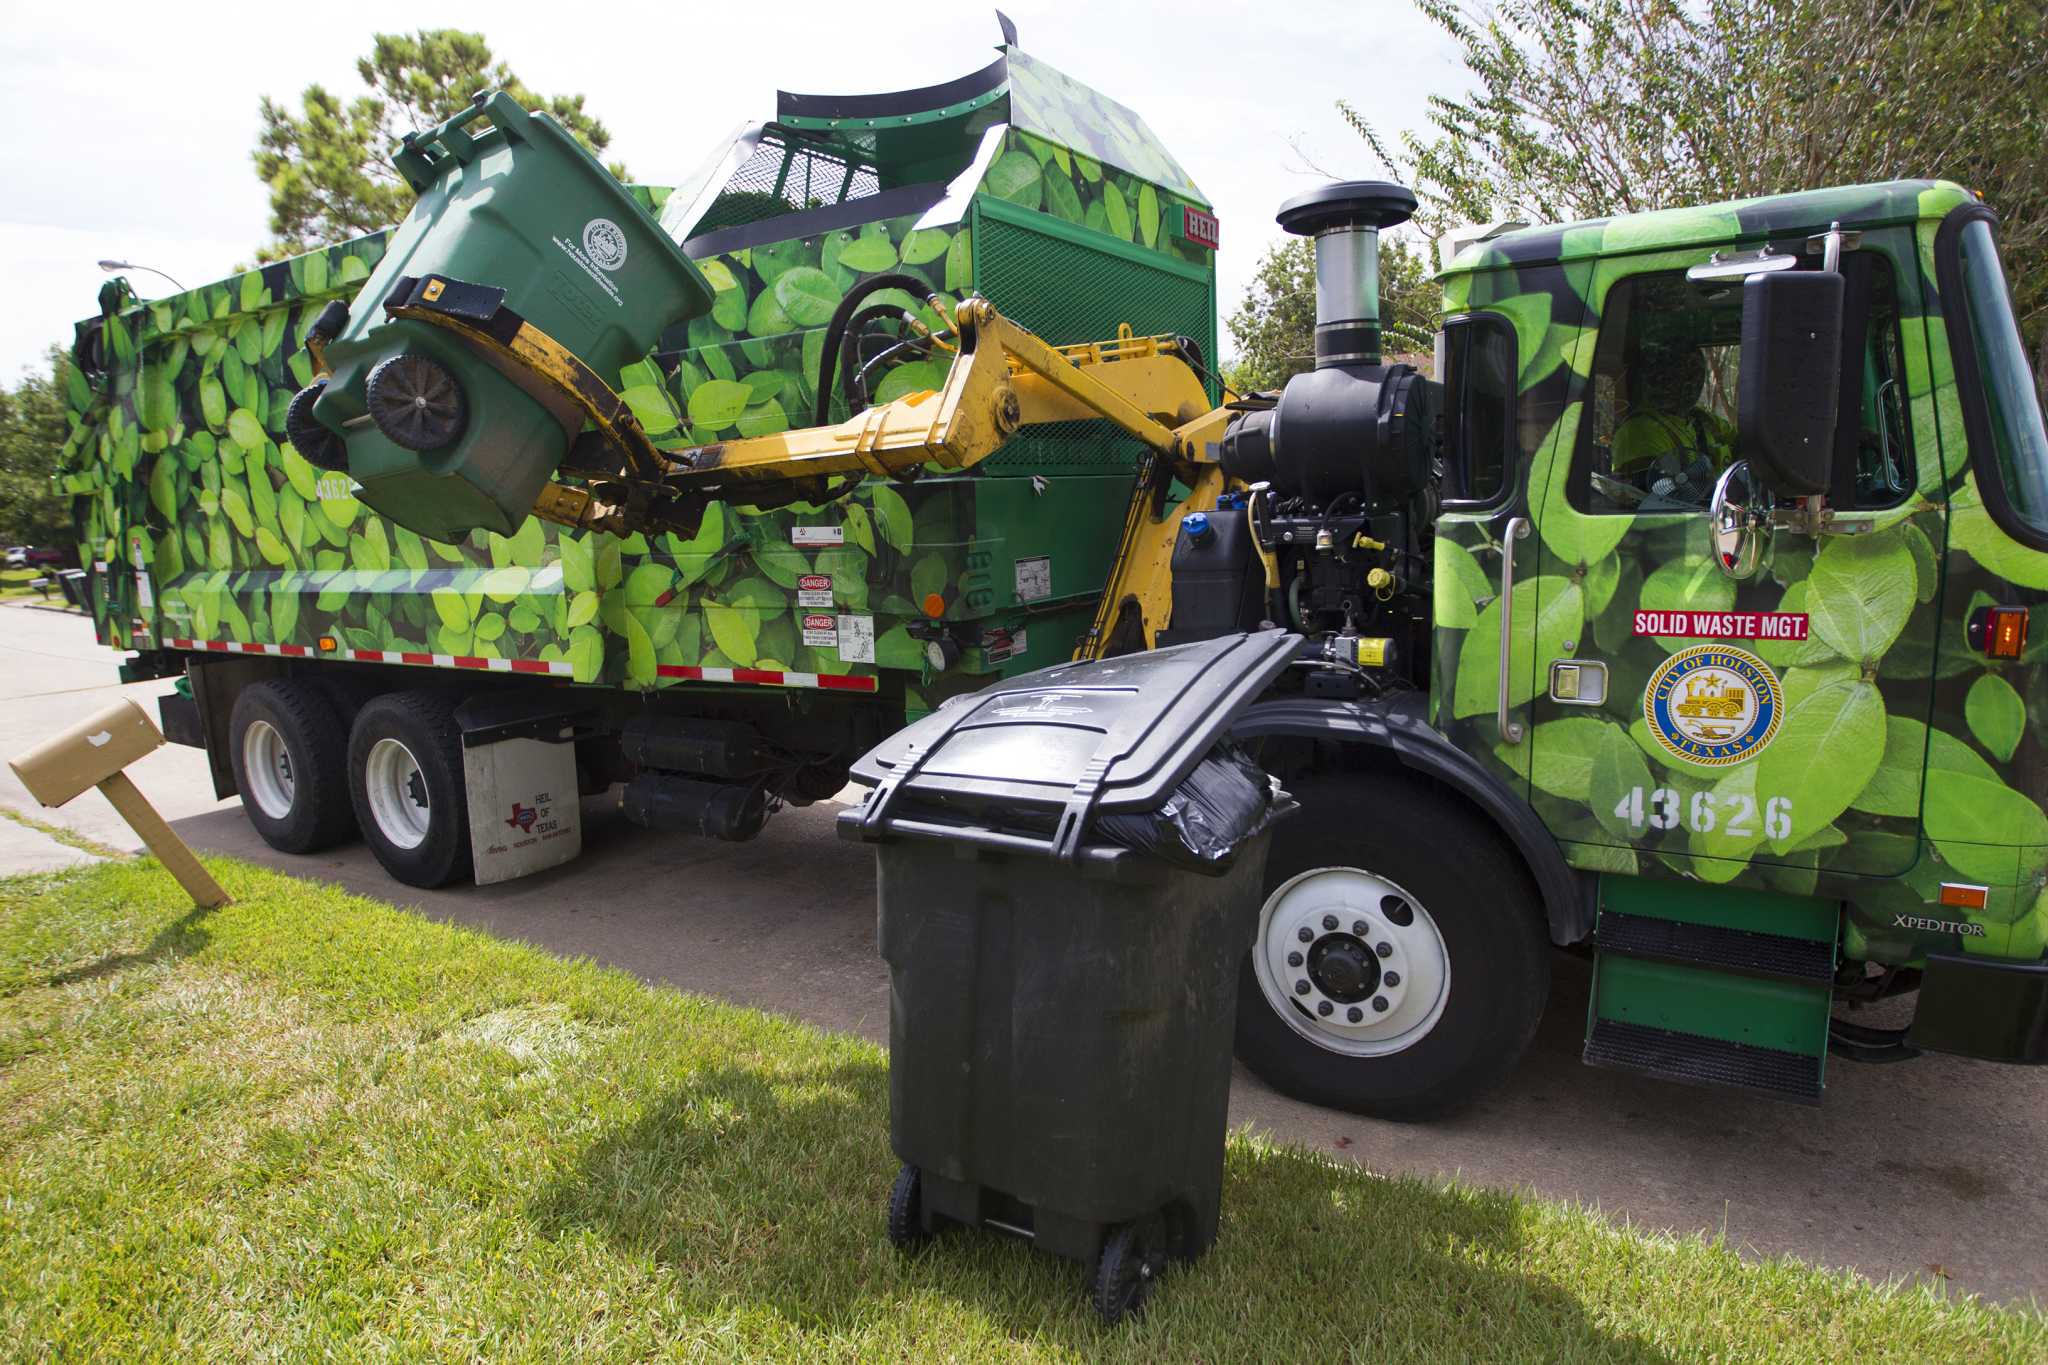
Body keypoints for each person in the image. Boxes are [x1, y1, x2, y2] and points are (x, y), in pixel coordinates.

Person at [1604, 341, 1735, 509]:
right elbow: (1668, 498)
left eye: (1694, 375)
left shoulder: (1703, 420)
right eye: (1678, 376)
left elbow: (1749, 444)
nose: (1689, 385)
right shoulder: (1639, 431)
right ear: (1655, 379)